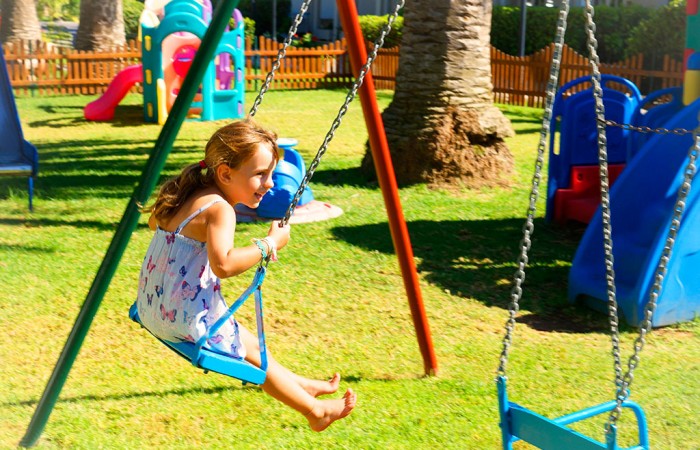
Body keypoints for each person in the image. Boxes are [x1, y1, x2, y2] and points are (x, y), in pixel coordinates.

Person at [134, 119, 356, 432]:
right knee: (250, 351)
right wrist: (269, 244)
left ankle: (299, 385)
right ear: (225, 174)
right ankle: (315, 411)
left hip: (151, 307)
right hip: (184, 319)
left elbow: (154, 224)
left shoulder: (186, 192)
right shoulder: (220, 209)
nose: (270, 184)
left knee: (250, 342)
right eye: (260, 174)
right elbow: (224, 265)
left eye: (271, 174)